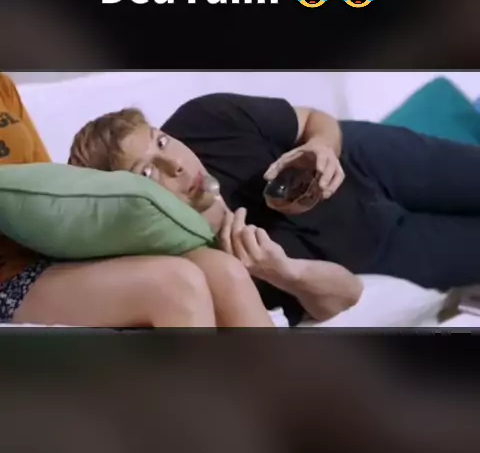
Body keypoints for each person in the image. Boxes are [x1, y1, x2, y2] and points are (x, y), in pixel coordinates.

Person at [69, 91, 480, 325]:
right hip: (382, 247)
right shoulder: (206, 264)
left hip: (366, 158)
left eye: (161, 141)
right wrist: (285, 273)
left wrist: (321, 146)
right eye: (147, 172)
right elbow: (340, 303)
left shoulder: (206, 118)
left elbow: (315, 119)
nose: (175, 164)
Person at [0, 74, 274, 327]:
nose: (175, 166)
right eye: (146, 172)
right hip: (8, 277)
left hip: (48, 256)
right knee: (175, 284)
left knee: (224, 270)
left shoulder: (4, 87)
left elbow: (45, 181)